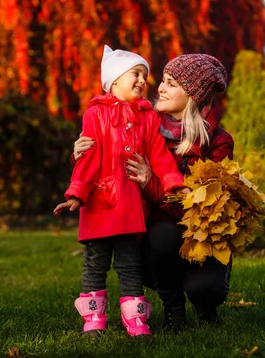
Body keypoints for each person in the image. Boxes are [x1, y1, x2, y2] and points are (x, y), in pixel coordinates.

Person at [72, 53, 234, 332]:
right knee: (156, 239)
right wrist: (79, 155)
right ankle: (173, 307)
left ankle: (204, 305)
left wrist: (151, 185)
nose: (158, 87)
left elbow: (201, 209)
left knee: (204, 288)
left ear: (193, 95)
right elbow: (109, 154)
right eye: (162, 81)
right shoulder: (144, 120)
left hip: (197, 230)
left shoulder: (218, 141)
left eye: (170, 84)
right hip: (158, 226)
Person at [54, 45, 189, 337]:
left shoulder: (148, 117)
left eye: (144, 76)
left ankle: (136, 320)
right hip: (99, 203)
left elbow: (160, 155)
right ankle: (93, 319)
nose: (143, 81)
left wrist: (172, 181)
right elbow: (88, 156)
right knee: (95, 262)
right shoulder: (95, 114)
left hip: (130, 208)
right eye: (136, 74)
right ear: (114, 81)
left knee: (130, 264)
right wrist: (77, 192)